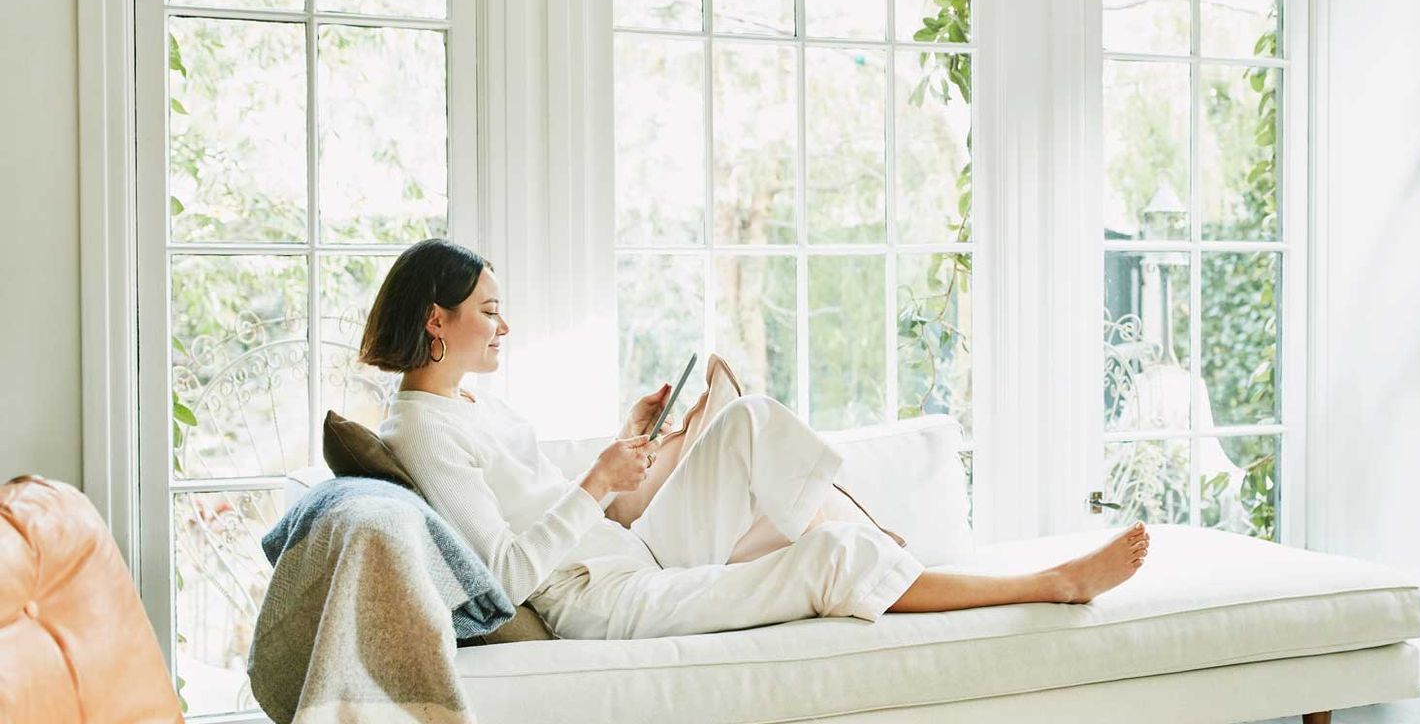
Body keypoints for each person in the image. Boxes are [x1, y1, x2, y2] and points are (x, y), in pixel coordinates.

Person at [360, 238, 1150, 640]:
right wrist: (598, 481)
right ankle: (1051, 582)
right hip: (601, 600)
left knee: (749, 419)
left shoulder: (466, 403)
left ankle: (869, 540)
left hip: (627, 552)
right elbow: (500, 577)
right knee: (833, 557)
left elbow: (548, 506)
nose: (504, 324)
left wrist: (625, 446)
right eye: (489, 309)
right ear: (439, 318)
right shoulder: (424, 433)